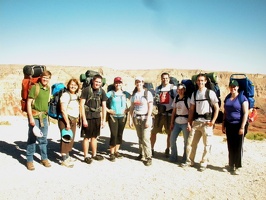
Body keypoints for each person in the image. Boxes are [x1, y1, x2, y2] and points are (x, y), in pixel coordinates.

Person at [186, 73, 219, 171]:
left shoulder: (210, 93)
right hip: (196, 122)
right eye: (198, 80)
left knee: (207, 144)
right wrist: (189, 122)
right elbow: (191, 109)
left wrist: (213, 121)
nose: (200, 82)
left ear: (205, 81)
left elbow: (217, 108)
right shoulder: (194, 94)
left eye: (202, 80)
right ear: (196, 82)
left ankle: (204, 163)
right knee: (191, 143)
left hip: (207, 123)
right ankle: (189, 161)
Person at [26, 70, 52, 171]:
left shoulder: (48, 88)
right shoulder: (35, 87)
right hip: (35, 116)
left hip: (44, 117)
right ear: (41, 77)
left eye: (47, 78)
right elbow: (29, 103)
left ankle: (44, 158)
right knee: (32, 138)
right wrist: (31, 118)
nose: (45, 79)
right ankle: (29, 160)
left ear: (49, 79)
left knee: (43, 139)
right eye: (44, 77)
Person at [222, 80, 248, 175]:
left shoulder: (242, 98)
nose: (233, 88)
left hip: (238, 125)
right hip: (229, 124)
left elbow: (245, 114)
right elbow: (225, 112)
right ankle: (231, 164)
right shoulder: (228, 98)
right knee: (230, 145)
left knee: (238, 146)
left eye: (234, 87)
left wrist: (242, 127)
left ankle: (237, 166)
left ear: (238, 87)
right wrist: (223, 124)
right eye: (231, 86)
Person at [80, 74, 107, 164]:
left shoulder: (102, 91)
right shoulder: (86, 90)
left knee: (94, 137)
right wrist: (83, 119)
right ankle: (85, 156)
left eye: (99, 82)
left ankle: (94, 155)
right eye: (96, 82)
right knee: (86, 137)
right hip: (87, 117)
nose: (98, 83)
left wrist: (103, 120)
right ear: (92, 81)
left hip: (97, 117)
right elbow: (81, 105)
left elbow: (104, 106)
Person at [151, 72, 177, 157]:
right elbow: (155, 100)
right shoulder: (158, 89)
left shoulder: (173, 88)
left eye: (166, 78)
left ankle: (167, 149)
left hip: (169, 114)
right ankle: (151, 149)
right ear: (161, 79)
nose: (165, 80)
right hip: (159, 114)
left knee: (169, 133)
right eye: (163, 78)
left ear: (169, 79)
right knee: (154, 132)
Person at [129, 76, 153, 166]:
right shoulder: (134, 94)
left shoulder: (147, 93)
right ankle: (141, 154)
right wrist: (130, 119)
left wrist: (148, 118)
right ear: (135, 83)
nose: (138, 83)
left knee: (146, 138)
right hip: (137, 118)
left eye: (140, 82)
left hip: (145, 117)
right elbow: (132, 107)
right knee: (140, 137)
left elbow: (150, 107)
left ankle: (148, 157)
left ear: (143, 83)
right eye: (137, 82)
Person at [106, 77, 131, 162]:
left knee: (120, 134)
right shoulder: (110, 93)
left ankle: (116, 151)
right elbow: (102, 101)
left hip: (123, 116)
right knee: (114, 134)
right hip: (113, 117)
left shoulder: (125, 94)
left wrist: (129, 109)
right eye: (116, 83)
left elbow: (134, 100)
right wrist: (108, 110)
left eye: (119, 83)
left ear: (122, 84)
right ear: (114, 84)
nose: (118, 84)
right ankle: (112, 153)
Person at [58, 78, 80, 168]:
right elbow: (63, 110)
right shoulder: (65, 95)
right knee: (65, 139)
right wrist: (67, 123)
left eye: (75, 85)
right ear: (68, 85)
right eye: (71, 84)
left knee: (70, 139)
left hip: (73, 120)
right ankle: (64, 159)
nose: (73, 86)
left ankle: (67, 156)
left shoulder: (75, 95)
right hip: (66, 120)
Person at [169, 83, 190, 165]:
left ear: (184, 90)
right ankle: (173, 156)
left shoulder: (187, 99)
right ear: (177, 90)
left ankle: (185, 158)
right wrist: (171, 122)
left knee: (186, 142)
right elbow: (174, 111)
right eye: (179, 89)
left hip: (185, 122)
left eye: (182, 89)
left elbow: (190, 111)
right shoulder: (176, 98)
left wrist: (189, 123)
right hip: (177, 122)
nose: (180, 91)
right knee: (172, 139)